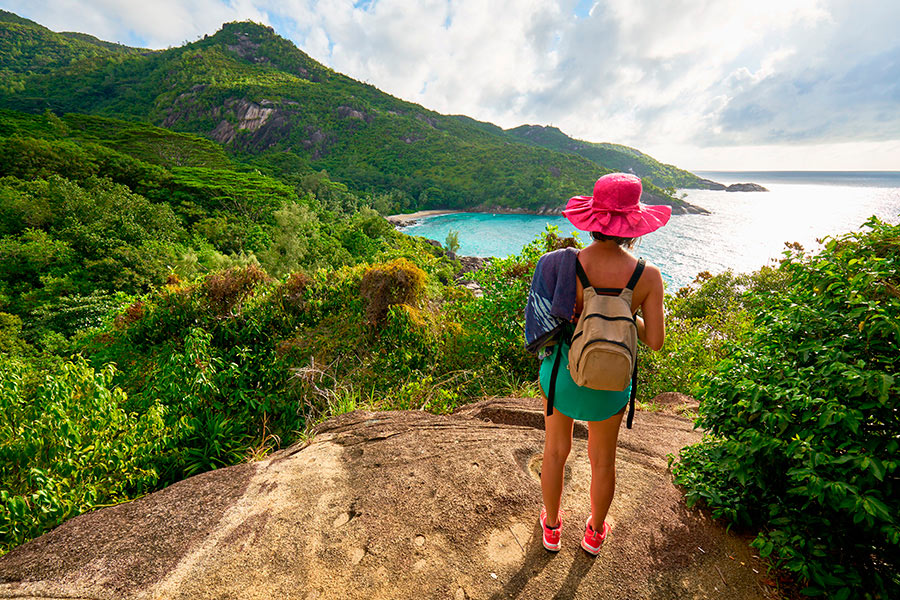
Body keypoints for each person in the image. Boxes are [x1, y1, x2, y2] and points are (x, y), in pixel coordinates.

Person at [524, 173, 670, 555]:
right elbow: (654, 340)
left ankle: (552, 527)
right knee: (604, 460)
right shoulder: (648, 276)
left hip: (563, 379)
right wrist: (625, 309)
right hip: (611, 384)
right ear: (633, 226)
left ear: (593, 220)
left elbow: (550, 319)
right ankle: (594, 533)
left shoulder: (565, 266)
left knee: (556, 451)